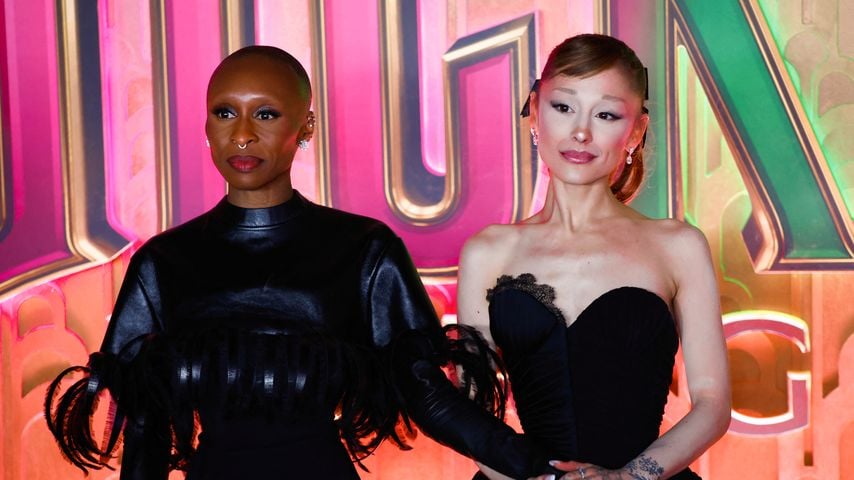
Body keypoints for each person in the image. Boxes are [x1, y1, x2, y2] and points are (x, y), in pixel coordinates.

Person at [44, 46, 559, 479]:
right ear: (205, 124)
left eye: (265, 114)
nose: (242, 135)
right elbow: (145, 429)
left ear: (305, 123)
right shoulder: (164, 262)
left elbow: (428, 398)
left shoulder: (361, 248)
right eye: (225, 113)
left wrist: (540, 468)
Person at [457, 34, 731, 480]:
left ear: (635, 131)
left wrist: (627, 478)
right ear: (534, 110)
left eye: (606, 114)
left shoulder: (677, 245)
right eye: (563, 107)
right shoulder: (489, 250)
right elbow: (472, 412)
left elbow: (713, 402)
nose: (580, 132)